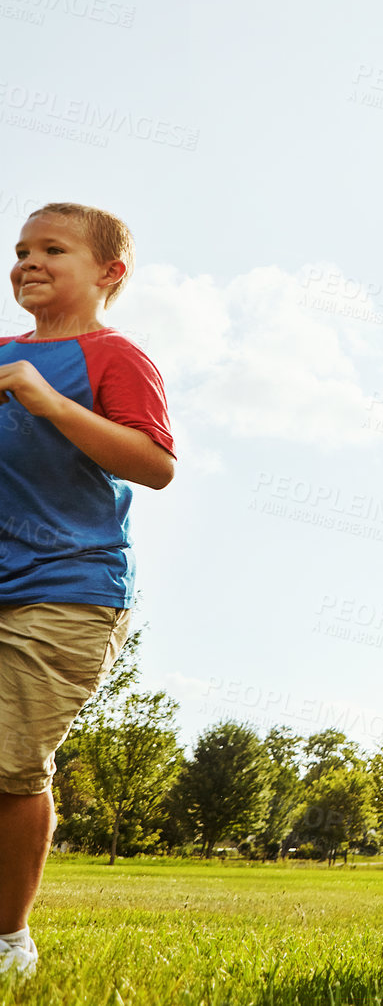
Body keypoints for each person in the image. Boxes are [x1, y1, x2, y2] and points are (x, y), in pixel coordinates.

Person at [0, 204, 175, 981]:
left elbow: (155, 464)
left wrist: (51, 403)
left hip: (70, 587)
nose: (29, 262)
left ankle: (9, 940)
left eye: (52, 250)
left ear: (110, 273)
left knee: (8, 763)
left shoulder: (115, 357)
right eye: (21, 250)